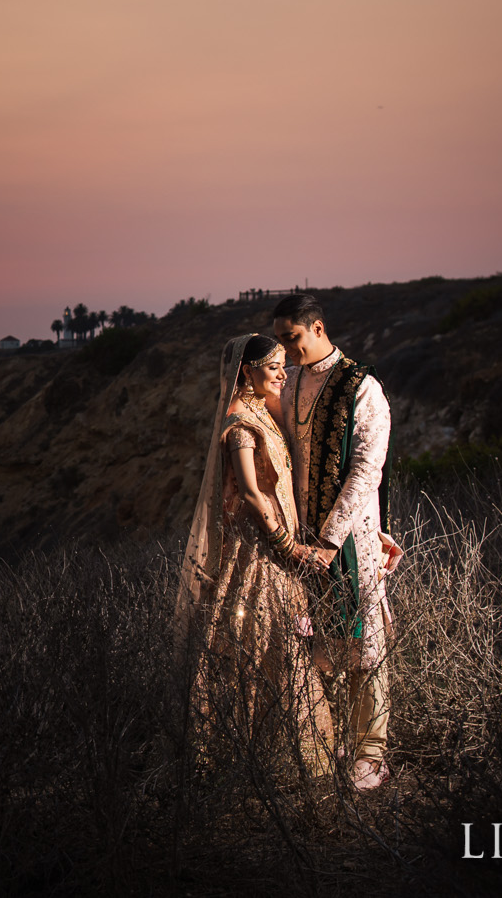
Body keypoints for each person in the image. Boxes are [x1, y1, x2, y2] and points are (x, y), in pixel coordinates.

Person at [176, 332, 335, 781]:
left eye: (285, 365)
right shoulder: (240, 425)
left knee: (280, 642)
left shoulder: (265, 416)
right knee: (261, 637)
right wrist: (289, 546)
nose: (284, 375)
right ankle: (257, 754)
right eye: (274, 367)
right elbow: (250, 493)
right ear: (247, 371)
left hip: (277, 548)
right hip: (258, 551)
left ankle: (288, 752)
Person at [271, 293, 401, 792]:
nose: (286, 349)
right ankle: (334, 739)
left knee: (363, 639)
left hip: (348, 537)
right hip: (301, 534)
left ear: (318, 327)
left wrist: (330, 537)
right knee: (317, 642)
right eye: (281, 340)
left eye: (292, 338)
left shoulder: (362, 386)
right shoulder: (294, 378)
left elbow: (368, 469)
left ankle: (371, 751)